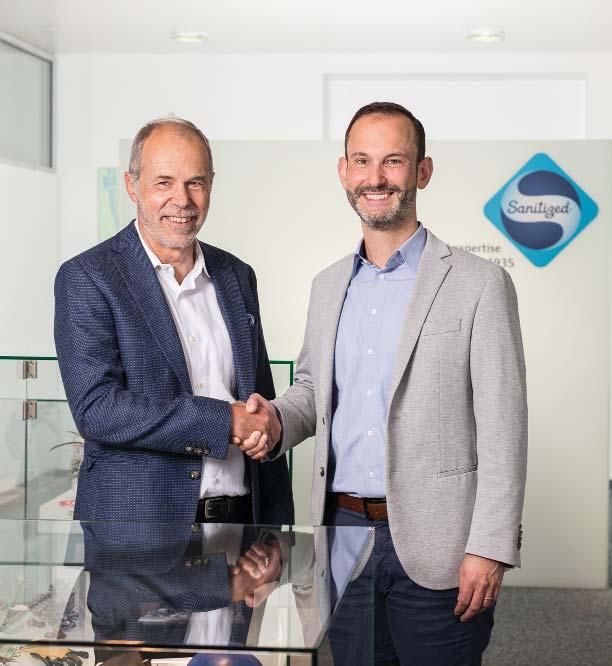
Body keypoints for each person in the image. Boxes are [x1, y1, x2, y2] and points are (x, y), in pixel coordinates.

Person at [237, 102, 528, 664]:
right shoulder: (327, 285)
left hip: (442, 545)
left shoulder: (478, 284)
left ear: (423, 171)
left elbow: (505, 429)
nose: (376, 177)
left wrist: (490, 546)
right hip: (342, 538)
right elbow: (313, 390)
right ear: (343, 171)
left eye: (393, 161)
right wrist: (273, 418)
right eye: (362, 161)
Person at [54, 116, 292, 525]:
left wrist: (273, 526)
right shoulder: (88, 277)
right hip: (136, 531)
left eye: (195, 182)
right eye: (163, 182)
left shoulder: (237, 275)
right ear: (132, 186)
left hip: (240, 527)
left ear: (211, 185)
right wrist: (225, 421)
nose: (182, 200)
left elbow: (259, 399)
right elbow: (98, 409)